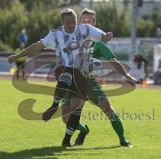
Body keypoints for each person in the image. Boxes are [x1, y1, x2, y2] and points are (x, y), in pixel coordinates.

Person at [8, 8, 114, 147]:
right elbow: (37, 46)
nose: (71, 25)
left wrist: (106, 36)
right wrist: (17, 56)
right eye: (68, 22)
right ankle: (54, 104)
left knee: (75, 110)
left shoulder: (86, 29)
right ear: (62, 23)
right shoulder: (56, 34)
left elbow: (103, 36)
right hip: (63, 69)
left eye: (73, 22)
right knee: (67, 72)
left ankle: (67, 139)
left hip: (83, 74)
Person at [46, 9, 136, 147]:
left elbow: (113, 61)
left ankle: (123, 140)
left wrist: (127, 75)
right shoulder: (68, 38)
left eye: (90, 21)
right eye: (84, 20)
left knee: (109, 109)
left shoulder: (98, 43)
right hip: (72, 83)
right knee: (66, 118)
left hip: (90, 83)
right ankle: (84, 129)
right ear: (80, 23)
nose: (86, 23)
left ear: (94, 23)